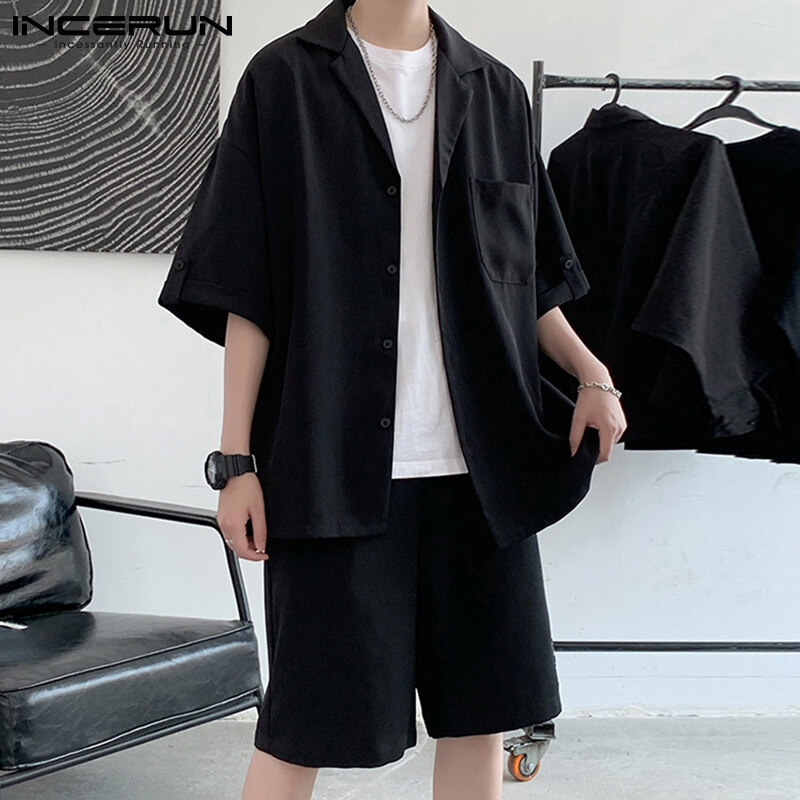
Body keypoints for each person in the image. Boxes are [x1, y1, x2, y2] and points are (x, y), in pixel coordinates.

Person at [158, 0, 627, 798]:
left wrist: (593, 374)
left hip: (480, 478)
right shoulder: (282, 82)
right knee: (301, 726)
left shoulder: (495, 91)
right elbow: (246, 289)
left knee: (481, 718)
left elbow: (526, 281)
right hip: (331, 470)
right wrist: (236, 463)